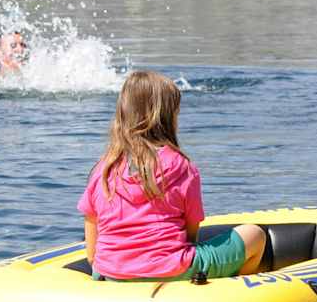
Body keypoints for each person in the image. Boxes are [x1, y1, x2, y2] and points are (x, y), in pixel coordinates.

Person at [78, 70, 266, 281]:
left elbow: (92, 253)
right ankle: (232, 294)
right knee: (255, 234)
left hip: (110, 273)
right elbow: (191, 234)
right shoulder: (182, 167)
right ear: (168, 118)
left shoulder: (103, 169)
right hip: (172, 268)